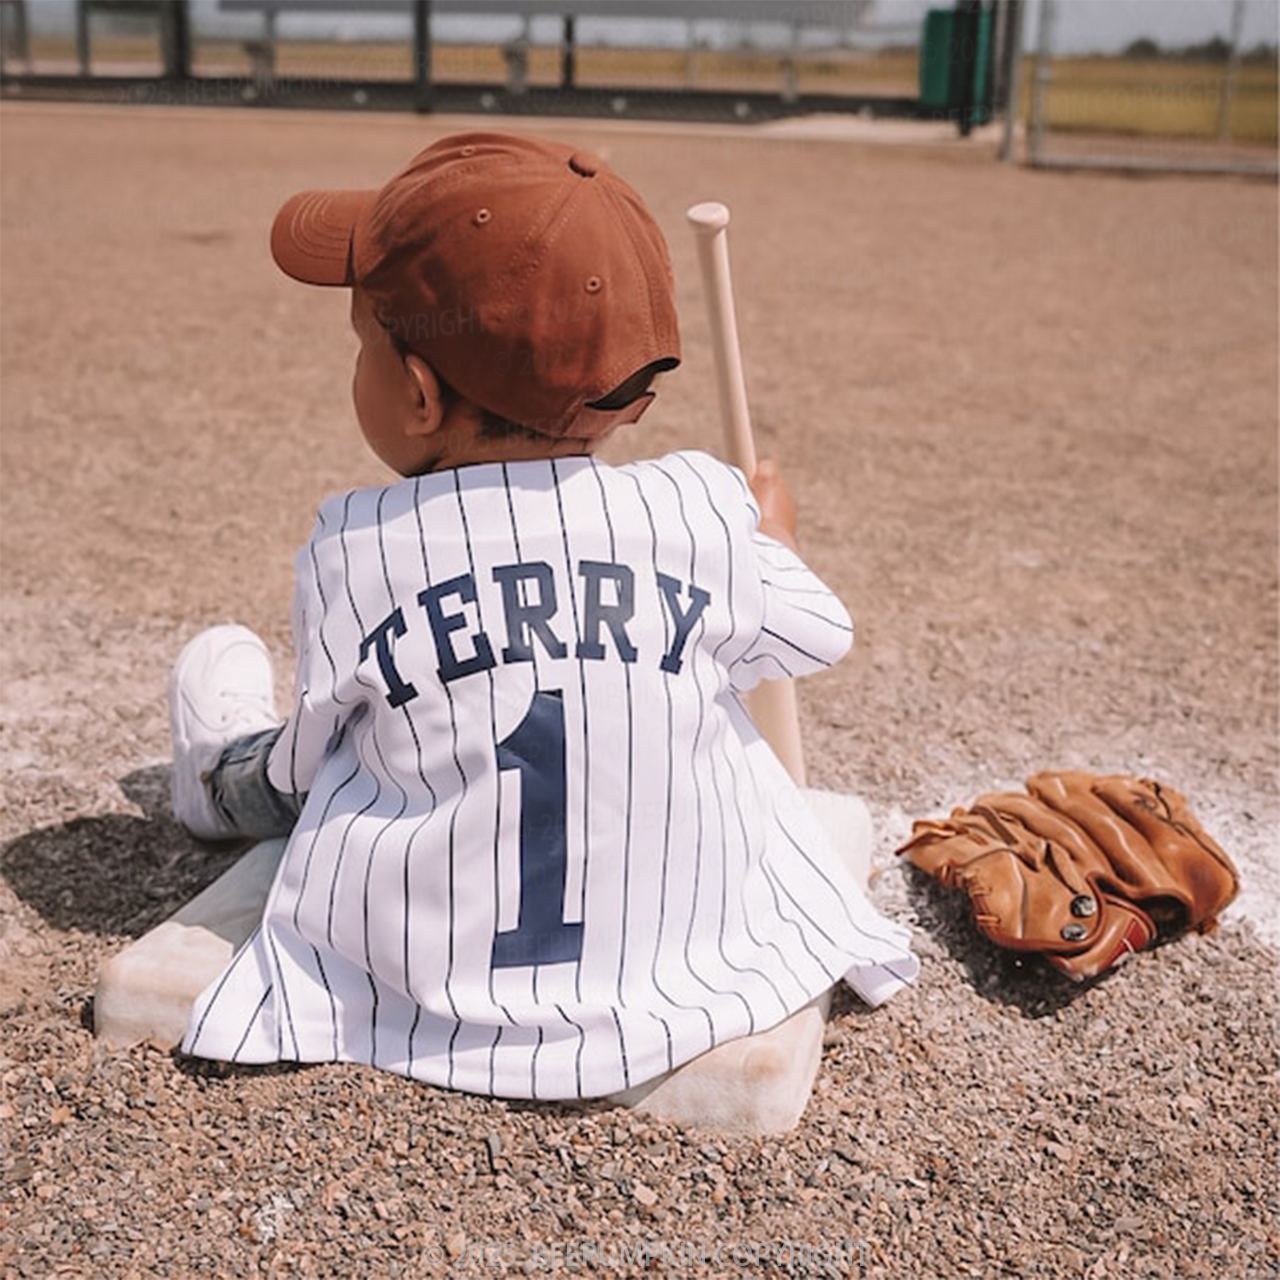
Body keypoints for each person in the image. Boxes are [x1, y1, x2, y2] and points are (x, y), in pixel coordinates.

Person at [171, 131, 917, 1108]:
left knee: (295, 765)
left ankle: (210, 775)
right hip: (688, 962)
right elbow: (818, 632)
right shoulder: (699, 505)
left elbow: (313, 763)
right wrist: (767, 537)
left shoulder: (357, 544)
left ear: (420, 393)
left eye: (364, 343)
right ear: (632, 398)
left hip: (424, 983)